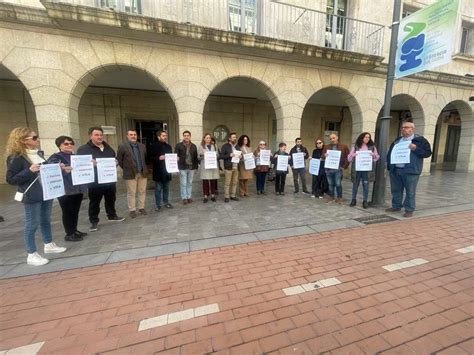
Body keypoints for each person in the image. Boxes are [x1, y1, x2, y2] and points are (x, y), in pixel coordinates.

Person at [6, 127, 67, 266]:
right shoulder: (16, 157)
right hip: (31, 195)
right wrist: (28, 170)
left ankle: (48, 244)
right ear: (22, 141)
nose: (37, 139)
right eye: (34, 138)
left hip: (46, 192)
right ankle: (31, 253)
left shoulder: (37, 154)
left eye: (36, 137)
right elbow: (11, 179)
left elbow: (44, 172)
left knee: (45, 220)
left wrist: (59, 168)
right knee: (31, 223)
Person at [77, 126, 125, 232]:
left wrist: (116, 162)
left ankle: (112, 216)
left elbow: (114, 159)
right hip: (95, 182)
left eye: (101, 135)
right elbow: (80, 164)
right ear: (91, 136)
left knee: (111, 199)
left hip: (109, 180)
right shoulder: (83, 149)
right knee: (94, 202)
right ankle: (94, 221)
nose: (99, 137)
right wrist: (90, 164)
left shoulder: (108, 148)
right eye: (96, 135)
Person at [386, 120, 432, 217]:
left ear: (412, 129)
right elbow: (390, 154)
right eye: (402, 127)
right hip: (396, 170)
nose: (403, 129)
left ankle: (409, 209)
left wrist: (416, 148)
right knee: (396, 189)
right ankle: (396, 206)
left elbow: (427, 153)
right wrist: (389, 167)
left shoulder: (420, 140)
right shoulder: (397, 141)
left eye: (406, 127)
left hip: (411, 171)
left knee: (410, 191)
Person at [48, 136, 87, 241]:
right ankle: (69, 233)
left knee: (75, 210)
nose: (69, 145)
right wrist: (62, 170)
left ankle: (74, 230)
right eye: (66, 144)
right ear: (59, 146)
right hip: (65, 190)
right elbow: (50, 172)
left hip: (77, 188)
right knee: (67, 211)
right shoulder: (55, 158)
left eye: (71, 143)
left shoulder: (76, 156)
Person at [117, 129, 148, 218]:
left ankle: (141, 207)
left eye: (134, 134)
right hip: (130, 173)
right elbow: (119, 160)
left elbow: (145, 158)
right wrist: (127, 168)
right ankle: (132, 209)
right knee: (131, 192)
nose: (133, 136)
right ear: (127, 136)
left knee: (142, 191)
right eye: (131, 135)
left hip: (142, 172)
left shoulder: (142, 146)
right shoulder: (123, 146)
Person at [348, 132, 380, 209]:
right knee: (355, 185)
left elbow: (377, 157)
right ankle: (353, 200)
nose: (367, 139)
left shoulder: (372, 147)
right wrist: (353, 155)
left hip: (366, 170)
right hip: (357, 170)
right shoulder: (356, 146)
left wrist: (373, 155)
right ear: (362, 138)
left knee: (366, 185)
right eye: (365, 137)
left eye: (368, 137)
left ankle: (365, 201)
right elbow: (349, 157)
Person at [323, 133, 350, 203]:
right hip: (328, 169)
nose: (332, 140)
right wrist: (324, 156)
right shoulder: (326, 147)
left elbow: (348, 157)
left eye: (333, 138)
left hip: (338, 169)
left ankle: (339, 197)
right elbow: (322, 157)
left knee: (338, 184)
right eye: (330, 138)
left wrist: (344, 166)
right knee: (330, 184)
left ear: (337, 138)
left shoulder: (343, 146)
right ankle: (331, 197)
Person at [151, 130, 173, 211]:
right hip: (158, 172)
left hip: (167, 171)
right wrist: (158, 158)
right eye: (163, 136)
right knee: (158, 189)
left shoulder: (168, 146)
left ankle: (166, 202)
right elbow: (150, 158)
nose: (165, 137)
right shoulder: (154, 146)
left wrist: (175, 160)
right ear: (158, 137)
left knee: (166, 188)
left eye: (165, 135)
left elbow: (171, 157)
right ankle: (158, 204)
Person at [175, 130, 198, 205]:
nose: (186, 137)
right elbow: (175, 156)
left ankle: (189, 196)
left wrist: (196, 167)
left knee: (190, 183)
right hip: (182, 167)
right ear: (183, 136)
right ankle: (184, 198)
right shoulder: (178, 145)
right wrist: (176, 165)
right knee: (183, 183)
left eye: (188, 135)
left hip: (191, 167)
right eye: (185, 135)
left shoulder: (194, 146)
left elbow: (195, 158)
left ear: (190, 136)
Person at [198, 133, 219, 202]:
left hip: (213, 166)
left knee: (213, 181)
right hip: (205, 166)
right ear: (204, 139)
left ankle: (213, 195)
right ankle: (205, 195)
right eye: (207, 138)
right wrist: (204, 156)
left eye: (209, 138)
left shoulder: (214, 145)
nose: (208, 139)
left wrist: (215, 156)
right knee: (205, 181)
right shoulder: (201, 146)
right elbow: (198, 157)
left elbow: (218, 155)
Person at [220, 132, 240, 203]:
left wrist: (241, 156)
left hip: (236, 167)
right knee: (227, 183)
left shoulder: (237, 146)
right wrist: (229, 155)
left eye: (235, 137)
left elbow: (240, 155)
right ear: (229, 138)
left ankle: (233, 195)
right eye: (234, 137)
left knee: (235, 183)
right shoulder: (225, 146)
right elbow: (221, 156)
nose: (235, 138)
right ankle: (226, 196)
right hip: (228, 167)